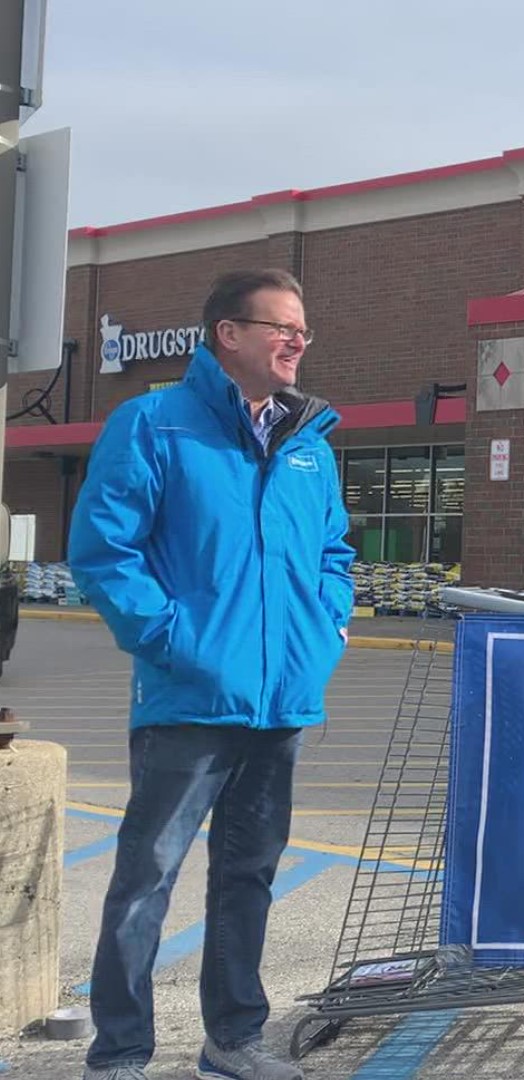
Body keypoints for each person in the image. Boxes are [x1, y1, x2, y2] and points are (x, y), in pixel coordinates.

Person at [68, 269, 355, 1080]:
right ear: (228, 334)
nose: (298, 342)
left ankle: (233, 1040)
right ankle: (120, 1053)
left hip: (281, 702)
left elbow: (335, 555)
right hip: (189, 698)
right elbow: (103, 553)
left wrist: (323, 630)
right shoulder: (154, 425)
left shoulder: (309, 446)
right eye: (282, 328)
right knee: (145, 878)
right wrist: (173, 641)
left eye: (304, 330)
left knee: (248, 876)